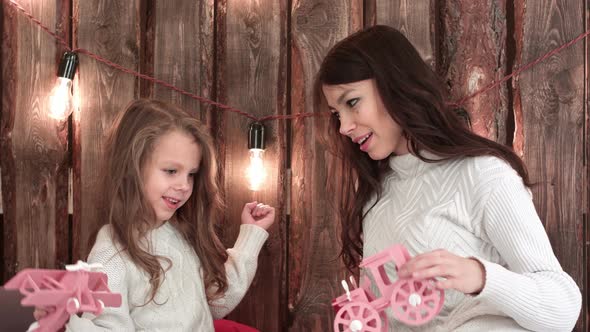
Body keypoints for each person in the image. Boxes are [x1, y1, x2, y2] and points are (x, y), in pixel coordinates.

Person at [315, 25, 581, 331]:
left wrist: (481, 276)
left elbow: (562, 309)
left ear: (395, 84)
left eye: (351, 102)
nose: (343, 127)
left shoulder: (483, 175)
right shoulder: (377, 196)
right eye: (336, 113)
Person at [33, 99, 274, 331]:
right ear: (132, 169)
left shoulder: (181, 235)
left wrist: (250, 237)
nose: (184, 185)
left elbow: (216, 304)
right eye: (171, 171)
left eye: (191, 174)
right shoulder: (112, 255)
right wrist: (67, 323)